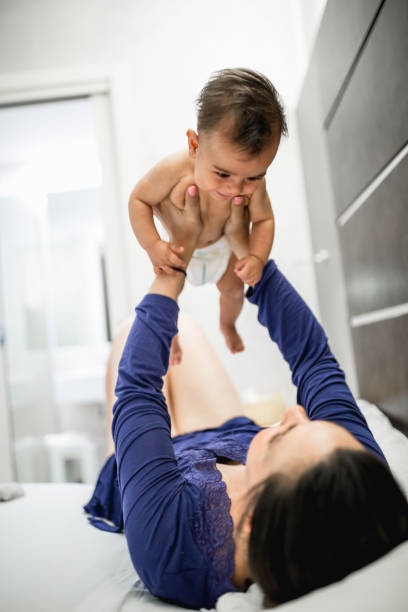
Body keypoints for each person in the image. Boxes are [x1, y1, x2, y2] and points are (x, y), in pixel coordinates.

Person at [84, 189, 408, 610]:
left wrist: (171, 274)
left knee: (134, 328)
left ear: (252, 524)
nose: (293, 413)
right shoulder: (352, 477)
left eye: (281, 436)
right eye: (307, 423)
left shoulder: (173, 551)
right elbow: (313, 360)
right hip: (226, 438)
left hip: (152, 484)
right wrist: (251, 261)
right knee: (175, 322)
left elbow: (137, 392)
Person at [128, 68, 287, 361]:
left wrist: (256, 258)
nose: (236, 187)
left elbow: (264, 220)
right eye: (223, 173)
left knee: (234, 293)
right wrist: (153, 246)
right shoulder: (175, 169)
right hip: (181, 252)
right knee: (169, 297)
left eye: (252, 177)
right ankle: (170, 337)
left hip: (224, 251)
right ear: (194, 145)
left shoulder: (255, 186)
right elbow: (139, 199)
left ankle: (227, 325)